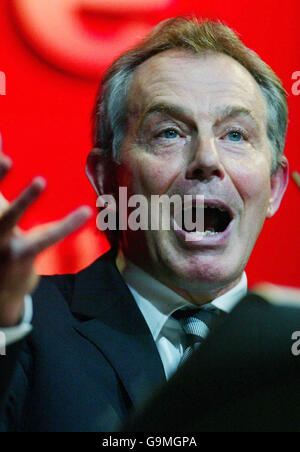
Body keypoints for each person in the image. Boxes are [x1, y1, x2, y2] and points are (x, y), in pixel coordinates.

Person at [0, 16, 294, 432]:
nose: (207, 160)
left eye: (235, 135)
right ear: (106, 178)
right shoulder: (22, 326)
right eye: (170, 133)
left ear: (275, 186)